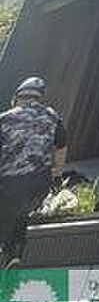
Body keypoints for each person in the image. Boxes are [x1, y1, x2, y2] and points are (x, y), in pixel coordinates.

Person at [0, 77, 67, 268]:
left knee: (9, 212)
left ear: (17, 98)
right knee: (21, 213)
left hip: (10, 185)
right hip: (40, 185)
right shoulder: (53, 118)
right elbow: (61, 150)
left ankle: (8, 253)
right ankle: (14, 256)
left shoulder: (4, 119)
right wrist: (56, 174)